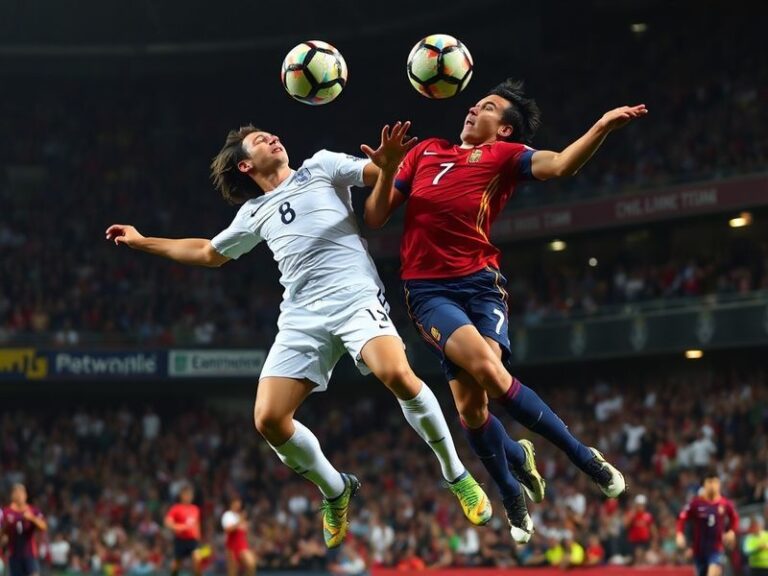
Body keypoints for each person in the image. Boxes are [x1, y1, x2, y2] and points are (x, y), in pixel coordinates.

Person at [106, 121, 490, 549]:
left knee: (397, 374)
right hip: (301, 317)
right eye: (259, 141)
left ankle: (456, 474)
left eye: (271, 134)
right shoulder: (253, 213)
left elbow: (379, 175)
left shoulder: (321, 166)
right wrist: (142, 242)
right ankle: (335, 488)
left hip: (354, 297)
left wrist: (387, 166)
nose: (273, 137)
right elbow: (208, 253)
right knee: (268, 419)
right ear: (247, 165)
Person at [362, 77, 644, 542]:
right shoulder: (423, 151)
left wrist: (602, 127)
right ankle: (517, 485)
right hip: (430, 292)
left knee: (477, 403)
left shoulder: (504, 157)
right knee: (481, 393)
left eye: (487, 107)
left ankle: (573, 458)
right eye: (474, 104)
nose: (473, 109)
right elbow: (375, 218)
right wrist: (390, 164)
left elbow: (559, 166)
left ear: (505, 130)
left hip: (481, 286)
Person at [676, 471, 739, 576]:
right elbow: (681, 518)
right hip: (699, 550)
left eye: (715, 482)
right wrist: (679, 534)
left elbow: (735, 518)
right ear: (703, 485)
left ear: (719, 484)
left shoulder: (725, 504)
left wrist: (732, 531)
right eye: (709, 482)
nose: (712, 485)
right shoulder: (695, 504)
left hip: (716, 549)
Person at [0, 484, 47, 576]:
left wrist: (32, 518)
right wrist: (6, 527)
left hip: (30, 553)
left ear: (26, 495)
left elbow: (44, 526)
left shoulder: (33, 510)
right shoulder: (6, 512)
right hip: (14, 555)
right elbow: (2, 533)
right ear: (12, 495)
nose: (19, 495)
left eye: (21, 493)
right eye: (16, 492)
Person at [164, 484, 203, 576]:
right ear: (182, 495)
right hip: (180, 540)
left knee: (197, 559)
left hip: (193, 541)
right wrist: (177, 527)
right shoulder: (176, 508)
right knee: (176, 565)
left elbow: (197, 525)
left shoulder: (195, 509)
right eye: (187, 494)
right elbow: (167, 522)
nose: (189, 496)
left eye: (190, 494)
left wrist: (199, 537)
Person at [221, 497, 257, 576]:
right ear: (231, 504)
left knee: (251, 564)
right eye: (236, 502)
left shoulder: (240, 516)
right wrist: (239, 522)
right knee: (233, 572)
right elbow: (227, 530)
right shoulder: (228, 515)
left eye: (239, 502)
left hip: (242, 546)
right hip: (232, 547)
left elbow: (245, 533)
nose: (238, 505)